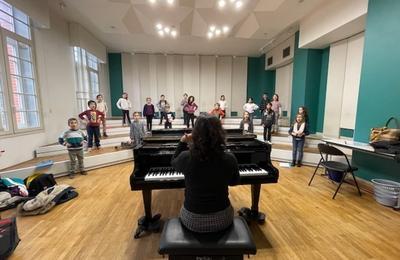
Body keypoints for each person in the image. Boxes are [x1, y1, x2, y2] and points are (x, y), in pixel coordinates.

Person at [171, 115, 240, 233]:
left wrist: (182, 142)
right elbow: (234, 182)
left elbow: (173, 161)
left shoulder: (186, 157)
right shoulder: (229, 158)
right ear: (220, 133)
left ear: (195, 133)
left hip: (192, 220)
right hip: (223, 219)